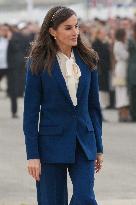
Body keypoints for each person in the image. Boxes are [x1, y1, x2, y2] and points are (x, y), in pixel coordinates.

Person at [23, 6, 104, 205]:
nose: (75, 32)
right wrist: (32, 155)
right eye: (68, 28)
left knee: (85, 198)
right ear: (52, 31)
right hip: (51, 145)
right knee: (52, 201)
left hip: (83, 143)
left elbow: (93, 107)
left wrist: (98, 148)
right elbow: (31, 113)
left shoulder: (88, 59)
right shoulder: (38, 63)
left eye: (77, 26)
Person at [113, 28, 131, 122]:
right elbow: (125, 56)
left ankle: (123, 114)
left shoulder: (121, 44)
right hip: (121, 69)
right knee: (122, 91)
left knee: (123, 92)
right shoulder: (118, 44)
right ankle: (122, 114)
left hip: (123, 68)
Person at [127, 23, 136, 122]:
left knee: (132, 93)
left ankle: (133, 115)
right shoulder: (131, 40)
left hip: (132, 68)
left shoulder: (130, 40)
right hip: (133, 67)